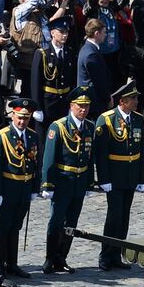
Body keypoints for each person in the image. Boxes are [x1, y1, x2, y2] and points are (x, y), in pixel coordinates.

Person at [40, 87, 94, 275]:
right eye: (80, 106)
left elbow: (90, 157)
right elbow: (49, 157)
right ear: (72, 106)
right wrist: (47, 183)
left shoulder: (89, 127)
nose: (84, 109)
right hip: (63, 181)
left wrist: (89, 182)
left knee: (71, 223)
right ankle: (49, 257)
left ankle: (62, 258)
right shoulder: (59, 127)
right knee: (56, 221)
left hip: (79, 182)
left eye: (86, 106)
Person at [93, 82, 144, 270]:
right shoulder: (107, 119)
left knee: (124, 218)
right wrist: (104, 179)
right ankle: (106, 255)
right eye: (133, 98)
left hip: (130, 177)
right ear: (123, 101)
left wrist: (141, 179)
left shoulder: (138, 120)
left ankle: (117, 254)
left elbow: (141, 153)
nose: (136, 101)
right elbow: (101, 154)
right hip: (114, 177)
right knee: (114, 217)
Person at [0, 99, 40, 280]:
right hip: (8, 186)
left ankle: (12, 263)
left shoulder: (33, 136)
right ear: (12, 116)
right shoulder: (1, 136)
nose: (22, 122)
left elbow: (36, 164)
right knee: (4, 226)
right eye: (19, 118)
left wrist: (35, 187)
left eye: (26, 118)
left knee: (16, 226)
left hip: (25, 187)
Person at [32, 19, 76, 124]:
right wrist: (37, 107)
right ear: (52, 33)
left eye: (66, 32)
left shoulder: (69, 52)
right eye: (61, 32)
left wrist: (72, 103)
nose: (65, 35)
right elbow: (35, 82)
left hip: (64, 101)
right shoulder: (43, 53)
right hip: (48, 102)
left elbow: (72, 79)